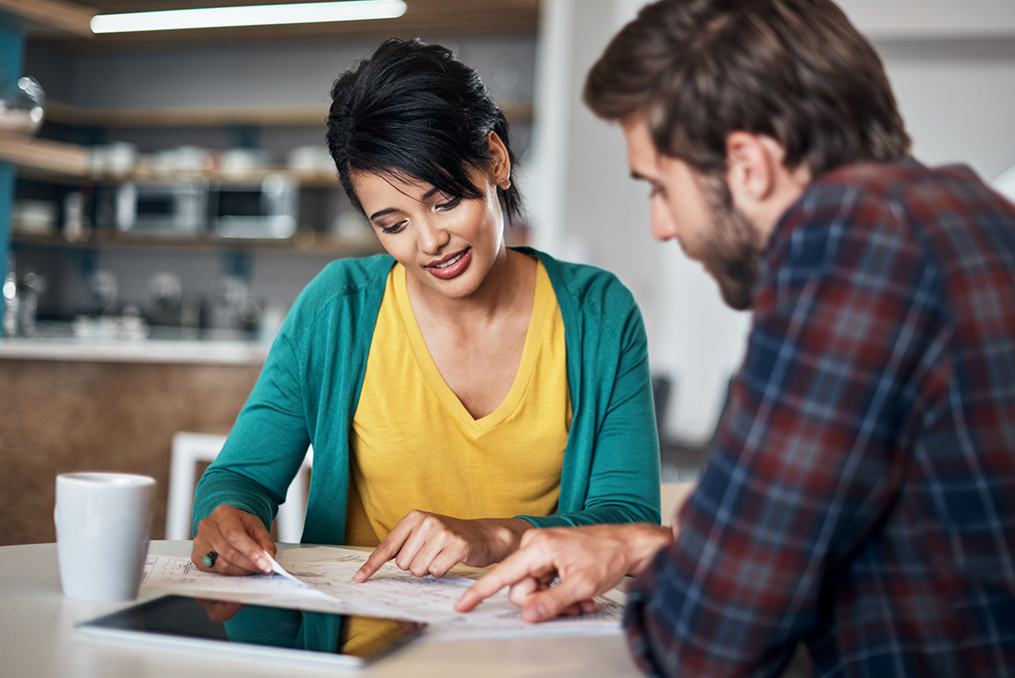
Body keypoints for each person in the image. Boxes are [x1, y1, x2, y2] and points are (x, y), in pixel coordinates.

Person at [456, 1, 1015, 676]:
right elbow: (854, 532)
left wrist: (675, 577)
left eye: (659, 187)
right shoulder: (974, 213)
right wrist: (640, 545)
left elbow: (704, 639)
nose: (662, 226)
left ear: (747, 164)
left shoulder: (852, 239)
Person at [190, 38, 661, 654]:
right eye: (393, 224)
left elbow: (626, 522)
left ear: (494, 159)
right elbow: (240, 478)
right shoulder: (340, 311)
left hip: (536, 653)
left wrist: (495, 536)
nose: (430, 240)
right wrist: (229, 515)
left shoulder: (599, 315)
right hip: (366, 657)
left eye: (445, 201)